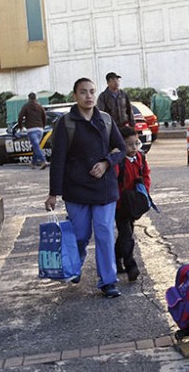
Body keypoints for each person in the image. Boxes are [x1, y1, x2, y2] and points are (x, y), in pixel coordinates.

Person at [45, 77, 126, 298]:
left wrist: (107, 162)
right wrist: (53, 193)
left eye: (91, 91)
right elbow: (58, 159)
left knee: (104, 233)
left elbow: (121, 148)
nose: (88, 96)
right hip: (76, 190)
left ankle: (108, 281)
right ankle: (74, 265)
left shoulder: (106, 120)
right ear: (75, 95)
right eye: (83, 92)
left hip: (104, 190)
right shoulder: (65, 123)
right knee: (80, 234)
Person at [115, 126, 151, 282]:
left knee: (126, 233)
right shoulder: (118, 161)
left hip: (134, 204)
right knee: (126, 234)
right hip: (120, 205)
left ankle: (115, 257)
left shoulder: (140, 158)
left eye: (136, 143)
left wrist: (144, 192)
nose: (134, 147)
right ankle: (131, 265)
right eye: (129, 144)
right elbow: (113, 181)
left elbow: (146, 175)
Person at [18, 92, 48, 169]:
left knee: (36, 145)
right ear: (36, 98)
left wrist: (20, 127)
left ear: (28, 98)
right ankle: (33, 163)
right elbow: (44, 117)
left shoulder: (26, 106)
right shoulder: (40, 106)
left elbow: (20, 117)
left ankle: (43, 160)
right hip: (40, 129)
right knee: (36, 145)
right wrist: (43, 127)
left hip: (31, 129)